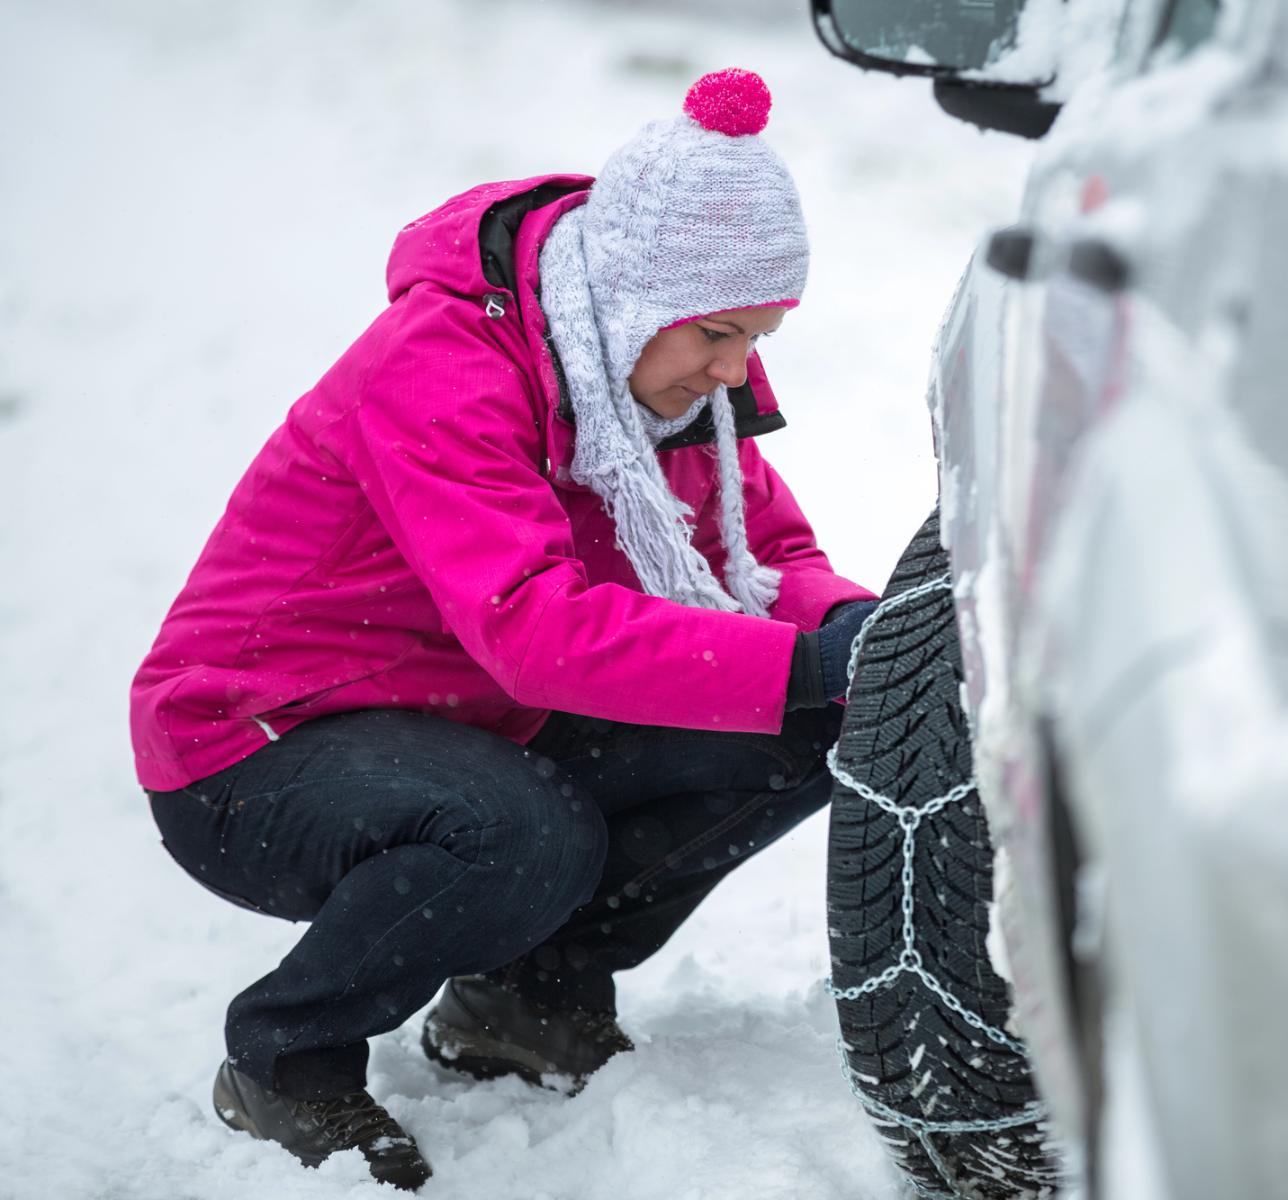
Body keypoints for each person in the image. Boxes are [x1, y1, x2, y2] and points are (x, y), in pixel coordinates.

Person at [129, 68, 879, 1191]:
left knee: (822, 717)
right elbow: (533, 629)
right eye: (721, 334)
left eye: (758, 337)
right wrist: (813, 659)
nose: (737, 371)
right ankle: (286, 1058)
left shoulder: (661, 382)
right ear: (632, 298)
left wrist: (874, 640)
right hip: (256, 748)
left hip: (474, 720)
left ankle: (528, 1002)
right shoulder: (441, 365)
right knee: (526, 832)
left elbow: (763, 561)